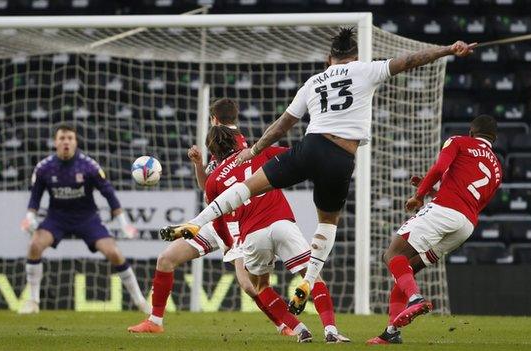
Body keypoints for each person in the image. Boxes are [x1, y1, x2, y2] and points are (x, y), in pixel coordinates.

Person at [161, 27, 476, 313]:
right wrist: (448, 49)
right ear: (355, 56)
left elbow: (284, 124)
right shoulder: (366, 70)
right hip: (339, 158)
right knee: (328, 224)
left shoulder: (314, 82)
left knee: (248, 186)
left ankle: (194, 223)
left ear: (329, 59)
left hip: (308, 147)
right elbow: (409, 61)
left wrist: (253, 151)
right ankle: (307, 282)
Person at [166, 126, 351, 343]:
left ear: (212, 151)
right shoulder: (259, 153)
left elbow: (216, 215)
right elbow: (297, 157)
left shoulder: (214, 179)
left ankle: (300, 330)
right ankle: (330, 331)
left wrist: (229, 244)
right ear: (237, 141)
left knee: (260, 286)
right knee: (311, 277)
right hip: (281, 222)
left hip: (252, 235)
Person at [127, 99, 294, 336]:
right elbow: (209, 188)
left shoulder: (228, 141)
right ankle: (155, 321)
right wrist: (198, 164)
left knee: (249, 284)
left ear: (213, 119)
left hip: (238, 223)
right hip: (217, 221)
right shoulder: (230, 143)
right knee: (166, 259)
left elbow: (218, 187)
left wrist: (228, 242)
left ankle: (286, 326)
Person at [366, 115, 501, 344]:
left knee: (392, 255)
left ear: (471, 131)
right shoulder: (497, 168)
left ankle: (415, 298)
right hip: (466, 225)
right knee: (405, 271)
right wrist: (429, 187)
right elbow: (468, 195)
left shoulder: (458, 141)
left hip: (444, 211)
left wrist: (419, 196)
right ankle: (391, 332)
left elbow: (440, 167)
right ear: (494, 138)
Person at [19, 124, 149, 314]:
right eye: (62, 138)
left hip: (87, 217)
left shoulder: (88, 166)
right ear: (55, 142)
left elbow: (108, 193)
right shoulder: (44, 168)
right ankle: (33, 301)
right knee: (34, 246)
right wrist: (29, 217)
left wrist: (124, 223)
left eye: (70, 138)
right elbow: (35, 197)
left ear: (75, 142)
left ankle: (141, 302)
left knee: (114, 253)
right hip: (57, 217)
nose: (66, 142)